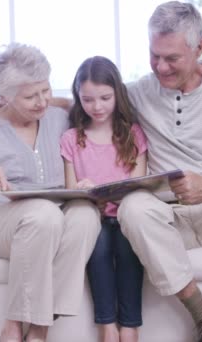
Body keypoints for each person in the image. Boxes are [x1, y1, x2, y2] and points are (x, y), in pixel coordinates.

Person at [0, 3, 202, 341]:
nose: (161, 68)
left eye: (172, 59)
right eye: (155, 56)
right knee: (133, 206)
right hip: (168, 218)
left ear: (199, 48)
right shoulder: (140, 93)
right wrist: (10, 104)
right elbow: (93, 101)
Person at [0, 42, 102, 342]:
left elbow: (93, 102)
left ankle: (40, 330)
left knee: (85, 215)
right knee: (43, 215)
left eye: (46, 90)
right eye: (30, 97)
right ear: (4, 97)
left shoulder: (58, 118)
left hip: (49, 214)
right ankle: (13, 326)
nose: (42, 102)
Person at [60, 56, 147, 342]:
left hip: (125, 217)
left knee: (128, 250)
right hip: (93, 218)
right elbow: (71, 190)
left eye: (105, 98)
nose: (97, 107)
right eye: (87, 100)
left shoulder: (133, 134)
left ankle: (130, 327)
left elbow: (139, 182)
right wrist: (86, 190)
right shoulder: (72, 138)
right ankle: (106, 327)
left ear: (117, 94)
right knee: (97, 252)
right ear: (78, 98)